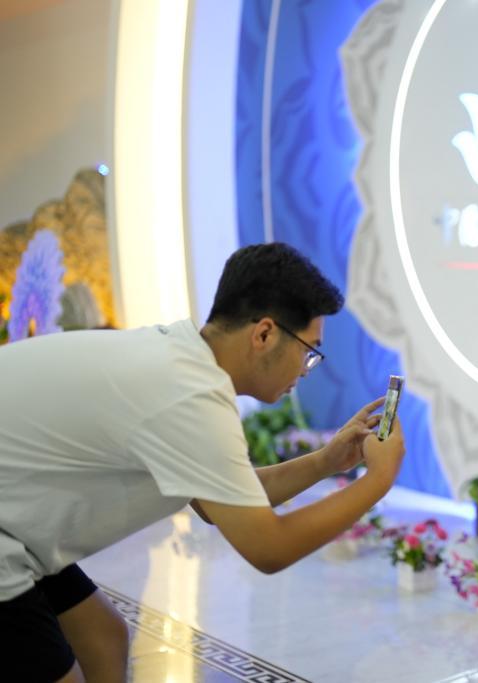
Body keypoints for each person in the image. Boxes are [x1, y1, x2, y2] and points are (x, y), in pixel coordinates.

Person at [0, 243, 406, 683]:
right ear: (265, 334)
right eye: (309, 351)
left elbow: (214, 503)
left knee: (104, 638)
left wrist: (327, 462)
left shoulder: (179, 357)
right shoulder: (191, 395)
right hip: (8, 539)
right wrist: (379, 479)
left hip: (16, 526)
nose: (307, 370)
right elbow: (269, 549)